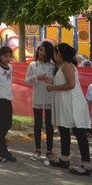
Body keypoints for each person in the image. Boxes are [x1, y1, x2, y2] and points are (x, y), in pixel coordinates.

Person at [46, 43, 91, 175]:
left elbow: (71, 85)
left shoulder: (68, 66)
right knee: (64, 129)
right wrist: (51, 81)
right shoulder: (64, 66)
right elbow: (64, 82)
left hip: (72, 104)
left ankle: (86, 165)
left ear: (59, 54)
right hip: (65, 104)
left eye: (55, 52)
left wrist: (52, 87)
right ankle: (64, 159)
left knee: (79, 133)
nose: (54, 55)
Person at [24, 40, 55, 161]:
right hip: (37, 97)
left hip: (49, 97)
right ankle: (37, 149)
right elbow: (26, 81)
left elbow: (57, 81)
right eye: (40, 50)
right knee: (37, 124)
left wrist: (49, 80)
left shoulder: (53, 66)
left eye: (45, 50)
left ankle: (49, 151)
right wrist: (36, 77)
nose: (42, 52)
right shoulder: (33, 65)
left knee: (49, 125)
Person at [0, 46, 16, 161]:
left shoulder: (10, 67)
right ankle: (2, 149)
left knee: (8, 123)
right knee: (0, 125)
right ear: (0, 56)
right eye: (5, 56)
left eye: (10, 56)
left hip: (8, 99)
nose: (8, 58)